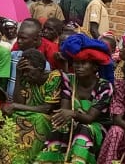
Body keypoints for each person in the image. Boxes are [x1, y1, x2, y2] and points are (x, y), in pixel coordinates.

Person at [36, 34, 115, 164]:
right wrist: (67, 115)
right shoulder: (69, 79)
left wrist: (72, 114)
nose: (78, 67)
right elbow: (65, 110)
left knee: (84, 130)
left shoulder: (105, 87)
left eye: (83, 63)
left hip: (96, 127)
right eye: (76, 63)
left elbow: (90, 118)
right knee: (60, 126)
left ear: (95, 67)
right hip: (74, 121)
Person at [3, 49, 62, 164]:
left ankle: (29, 159)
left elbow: (46, 108)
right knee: (13, 115)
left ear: (40, 68)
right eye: (23, 71)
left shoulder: (54, 77)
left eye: (28, 70)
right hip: (30, 114)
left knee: (39, 118)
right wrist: (18, 76)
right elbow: (19, 102)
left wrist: (15, 105)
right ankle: (11, 159)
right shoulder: (26, 78)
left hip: (51, 119)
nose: (25, 74)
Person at [8, 19, 54, 97]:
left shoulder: (43, 64)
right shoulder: (12, 56)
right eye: (18, 37)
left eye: (23, 38)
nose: (18, 41)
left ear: (35, 40)